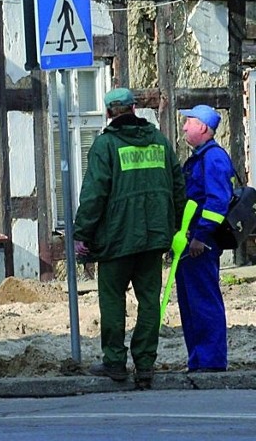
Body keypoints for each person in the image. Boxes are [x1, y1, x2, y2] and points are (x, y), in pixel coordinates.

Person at [73, 88, 185, 386]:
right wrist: (172, 227)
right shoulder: (159, 141)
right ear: (134, 108)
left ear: (109, 112)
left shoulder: (105, 145)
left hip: (116, 240)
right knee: (149, 301)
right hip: (153, 238)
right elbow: (178, 187)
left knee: (112, 301)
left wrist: (82, 233)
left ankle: (115, 363)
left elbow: (94, 195)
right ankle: (145, 364)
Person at [176, 104, 233, 373]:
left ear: (202, 126)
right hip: (190, 242)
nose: (184, 126)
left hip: (201, 244)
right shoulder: (201, 157)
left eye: (189, 121)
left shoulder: (213, 157)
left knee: (204, 302)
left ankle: (210, 362)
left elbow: (216, 202)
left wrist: (200, 236)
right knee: (191, 304)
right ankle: (198, 360)